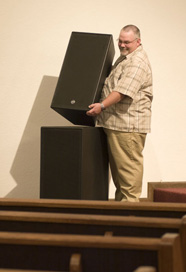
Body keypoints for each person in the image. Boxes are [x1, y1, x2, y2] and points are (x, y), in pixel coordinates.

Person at [86, 25, 153, 202]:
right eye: (120, 41)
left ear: (138, 41)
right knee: (121, 180)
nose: (122, 45)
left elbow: (123, 91)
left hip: (127, 127)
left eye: (127, 42)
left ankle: (131, 224)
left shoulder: (137, 62)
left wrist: (101, 105)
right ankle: (120, 219)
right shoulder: (125, 58)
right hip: (117, 124)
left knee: (128, 183)